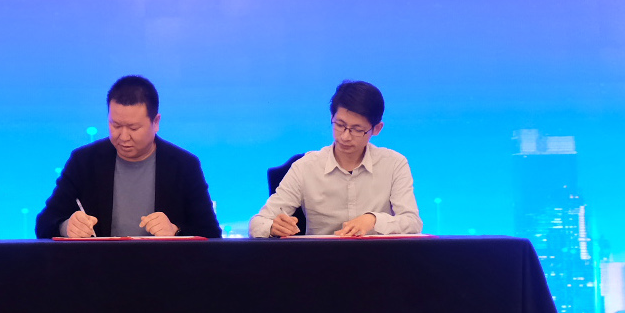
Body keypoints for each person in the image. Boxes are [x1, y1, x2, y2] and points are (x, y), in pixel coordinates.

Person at [35, 74, 221, 240]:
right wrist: (66, 227)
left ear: (156, 122)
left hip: (164, 267)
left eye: (133, 128)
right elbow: (44, 223)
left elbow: (211, 233)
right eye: (115, 125)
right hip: (99, 266)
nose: (123, 137)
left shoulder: (184, 165)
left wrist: (175, 231)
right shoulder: (84, 161)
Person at [249, 80, 421, 239]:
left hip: (379, 259)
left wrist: (373, 220)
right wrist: (273, 227)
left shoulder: (394, 164)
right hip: (320, 259)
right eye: (339, 125)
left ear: (376, 129)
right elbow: (257, 223)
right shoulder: (305, 167)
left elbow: (412, 222)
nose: (345, 136)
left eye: (357, 129)